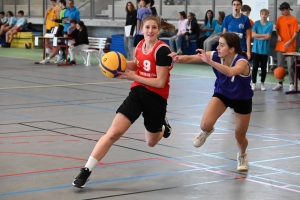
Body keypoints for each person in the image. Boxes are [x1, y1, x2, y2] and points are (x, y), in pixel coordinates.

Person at [72, 15, 173, 188]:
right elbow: (138, 64)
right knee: (113, 133)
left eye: (154, 28)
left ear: (158, 30)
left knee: (151, 142)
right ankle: (86, 170)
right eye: (147, 27)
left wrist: (134, 76)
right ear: (141, 29)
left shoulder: (162, 51)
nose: (150, 31)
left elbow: (160, 82)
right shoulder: (140, 45)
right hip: (137, 93)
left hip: (156, 97)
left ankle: (163, 126)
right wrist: (117, 64)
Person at [169, 32, 253, 172]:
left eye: (221, 45)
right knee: (205, 124)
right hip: (223, 94)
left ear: (231, 49)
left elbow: (231, 72)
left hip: (242, 98)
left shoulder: (242, 62)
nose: (218, 48)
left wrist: (209, 61)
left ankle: (242, 155)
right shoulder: (215, 56)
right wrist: (176, 58)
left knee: (239, 135)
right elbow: (190, 58)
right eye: (218, 44)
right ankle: (206, 131)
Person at [272, 2, 298, 92]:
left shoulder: (294, 20)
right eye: (281, 10)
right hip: (280, 46)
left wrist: (290, 42)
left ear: (288, 9)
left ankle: (291, 84)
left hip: (290, 47)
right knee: (280, 66)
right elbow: (277, 30)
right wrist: (278, 35)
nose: (282, 12)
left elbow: (295, 33)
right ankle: (280, 83)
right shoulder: (280, 19)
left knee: (290, 66)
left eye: (283, 10)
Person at [251, 9, 273, 91]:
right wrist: (264, 35)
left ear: (268, 15)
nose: (264, 15)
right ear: (260, 15)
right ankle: (253, 83)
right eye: (262, 14)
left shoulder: (270, 24)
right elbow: (253, 35)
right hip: (256, 49)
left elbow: (268, 37)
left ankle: (262, 83)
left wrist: (258, 36)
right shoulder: (256, 23)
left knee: (264, 67)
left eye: (265, 14)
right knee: (255, 67)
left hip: (264, 49)